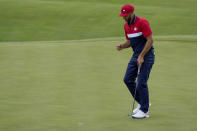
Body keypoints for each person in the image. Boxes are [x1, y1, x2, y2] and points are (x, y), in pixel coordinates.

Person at [116, 4, 155, 119]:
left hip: (147, 55)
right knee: (127, 79)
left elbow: (150, 40)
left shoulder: (142, 22)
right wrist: (122, 46)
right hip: (136, 55)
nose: (123, 17)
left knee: (141, 82)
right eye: (122, 15)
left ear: (132, 13)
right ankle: (144, 102)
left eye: (125, 15)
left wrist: (142, 55)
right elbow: (130, 41)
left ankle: (144, 111)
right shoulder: (126, 26)